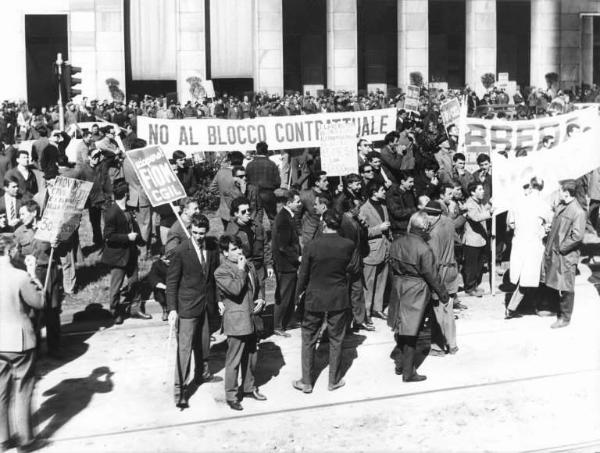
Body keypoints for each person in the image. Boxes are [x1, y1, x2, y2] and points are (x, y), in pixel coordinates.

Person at [293, 210, 359, 393]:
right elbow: (354, 268)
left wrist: (298, 295)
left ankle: (306, 382)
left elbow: (303, 275)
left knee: (308, 338)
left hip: (314, 296)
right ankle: (333, 380)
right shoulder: (348, 245)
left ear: (323, 223)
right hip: (338, 296)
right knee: (336, 339)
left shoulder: (312, 245)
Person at [387, 211, 449, 382]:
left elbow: (390, 266)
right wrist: (443, 295)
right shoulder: (424, 248)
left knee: (400, 327)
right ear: (424, 228)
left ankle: (400, 363)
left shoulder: (396, 242)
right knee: (412, 332)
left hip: (399, 286)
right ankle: (408, 372)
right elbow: (432, 276)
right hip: (416, 290)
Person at [167, 214, 219, 409]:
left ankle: (201, 374)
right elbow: (172, 282)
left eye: (201, 233)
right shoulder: (181, 251)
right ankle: (180, 392)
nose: (198, 236)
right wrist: (172, 308)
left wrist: (219, 302)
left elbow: (214, 277)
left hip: (206, 305)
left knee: (204, 343)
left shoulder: (212, 248)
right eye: (194, 232)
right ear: (190, 230)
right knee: (184, 350)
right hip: (187, 307)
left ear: (207, 232)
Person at [0, 234, 44, 452]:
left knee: (0, 391)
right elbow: (39, 301)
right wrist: (33, 274)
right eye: (16, 249)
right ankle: (26, 439)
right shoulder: (19, 276)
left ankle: (3, 439)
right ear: (9, 251)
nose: (18, 252)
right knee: (23, 389)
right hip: (20, 341)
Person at [214, 235, 267, 411]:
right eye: (234, 249)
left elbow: (257, 286)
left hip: (251, 318)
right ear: (225, 253)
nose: (239, 252)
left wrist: (260, 299)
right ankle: (231, 395)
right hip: (236, 321)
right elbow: (236, 290)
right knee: (234, 360)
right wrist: (241, 269)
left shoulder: (248, 265)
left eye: (239, 248)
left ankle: (249, 387)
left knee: (252, 356)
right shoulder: (221, 271)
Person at [101, 179, 151, 324]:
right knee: (116, 286)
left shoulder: (128, 210)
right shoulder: (111, 212)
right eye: (128, 192)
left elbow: (134, 228)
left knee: (134, 282)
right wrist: (127, 237)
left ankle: (135, 308)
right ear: (125, 194)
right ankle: (114, 310)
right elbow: (108, 237)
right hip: (118, 255)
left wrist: (142, 242)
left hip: (131, 253)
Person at [541, 180, 586, 329]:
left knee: (566, 286)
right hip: (556, 252)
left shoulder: (577, 211)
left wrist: (562, 247)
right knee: (554, 281)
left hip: (566, 255)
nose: (558, 193)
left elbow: (577, 236)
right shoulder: (562, 206)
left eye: (560, 190)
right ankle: (556, 310)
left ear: (566, 192)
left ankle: (565, 318)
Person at [505, 177, 552, 319]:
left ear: (530, 187)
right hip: (534, 244)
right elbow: (549, 224)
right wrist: (541, 228)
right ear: (542, 188)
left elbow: (510, 223)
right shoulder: (544, 205)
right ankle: (514, 308)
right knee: (531, 277)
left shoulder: (517, 202)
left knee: (523, 276)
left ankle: (522, 305)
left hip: (519, 243)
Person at [423, 201, 459, 356]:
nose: (427, 218)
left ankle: (438, 347)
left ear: (435, 215)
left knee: (438, 311)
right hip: (452, 270)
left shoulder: (433, 234)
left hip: (441, 273)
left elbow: (433, 261)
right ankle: (452, 345)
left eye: (429, 215)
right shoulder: (449, 222)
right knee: (448, 309)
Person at [225, 197, 273, 301]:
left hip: (259, 268)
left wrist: (269, 265)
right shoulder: (231, 232)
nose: (248, 213)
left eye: (249, 210)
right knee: (248, 302)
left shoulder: (257, 226)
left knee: (261, 301)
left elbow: (265, 245)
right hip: (244, 269)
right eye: (243, 211)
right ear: (236, 214)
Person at [271, 189, 302, 337]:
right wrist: (297, 257)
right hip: (285, 264)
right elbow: (283, 246)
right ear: (289, 203)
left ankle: (288, 321)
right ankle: (277, 325)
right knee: (284, 295)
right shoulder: (283, 218)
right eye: (298, 201)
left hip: (289, 264)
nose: (300, 204)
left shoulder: (287, 216)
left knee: (291, 294)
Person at [359, 180, 391, 321]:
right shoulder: (364, 209)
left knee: (381, 281)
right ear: (374, 192)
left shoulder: (383, 205)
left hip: (385, 248)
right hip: (371, 251)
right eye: (382, 190)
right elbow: (362, 232)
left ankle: (377, 308)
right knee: (369, 283)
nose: (384, 192)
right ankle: (366, 312)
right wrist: (379, 229)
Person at [463, 182, 493, 297]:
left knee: (477, 265)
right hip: (472, 241)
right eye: (480, 189)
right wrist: (490, 212)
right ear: (472, 192)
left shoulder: (477, 203)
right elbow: (476, 217)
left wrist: (489, 204)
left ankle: (473, 286)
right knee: (471, 266)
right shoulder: (470, 204)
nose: (483, 191)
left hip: (479, 240)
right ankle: (470, 288)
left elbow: (481, 211)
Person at [246, 141, 281, 224]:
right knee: (273, 218)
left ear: (256, 150)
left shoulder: (249, 165)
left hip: (253, 194)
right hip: (268, 194)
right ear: (267, 150)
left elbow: (246, 181)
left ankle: (257, 236)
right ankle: (275, 235)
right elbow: (277, 182)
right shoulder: (272, 164)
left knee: (255, 219)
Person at [210, 151, 244, 230]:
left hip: (224, 210)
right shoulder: (241, 173)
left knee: (228, 233)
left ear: (230, 161)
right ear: (241, 161)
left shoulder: (220, 172)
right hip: (239, 209)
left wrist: (222, 194)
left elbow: (212, 188)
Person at [299, 171, 330, 247]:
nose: (328, 183)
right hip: (309, 233)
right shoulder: (306, 195)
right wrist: (300, 233)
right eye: (324, 181)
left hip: (324, 232)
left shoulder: (328, 194)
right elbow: (296, 215)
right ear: (317, 183)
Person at [386, 170, 417, 238]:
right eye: (410, 182)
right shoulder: (393, 194)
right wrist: (414, 211)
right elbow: (397, 213)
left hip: (410, 227)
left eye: (413, 182)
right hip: (399, 231)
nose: (412, 184)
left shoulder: (410, 192)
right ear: (402, 182)